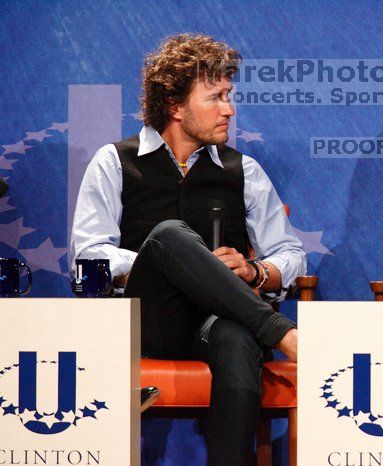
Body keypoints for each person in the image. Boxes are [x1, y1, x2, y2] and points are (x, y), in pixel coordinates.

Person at [70, 33, 306, 465]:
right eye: (215, 97)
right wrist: (170, 263)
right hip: (144, 325)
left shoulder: (244, 171)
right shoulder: (113, 162)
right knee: (169, 236)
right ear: (175, 106)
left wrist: (253, 272)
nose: (229, 109)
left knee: (237, 335)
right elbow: (86, 255)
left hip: (218, 323)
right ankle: (284, 334)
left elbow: (290, 254)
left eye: (229, 95)